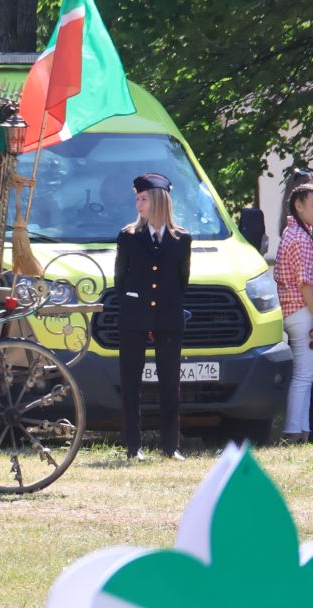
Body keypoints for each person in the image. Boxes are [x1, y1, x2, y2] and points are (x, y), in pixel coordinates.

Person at [115, 172, 192, 461]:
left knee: (170, 383)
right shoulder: (128, 236)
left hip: (169, 318)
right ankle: (133, 448)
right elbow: (120, 279)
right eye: (137, 198)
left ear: (158, 200)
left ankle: (171, 446)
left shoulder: (181, 238)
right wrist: (139, 306)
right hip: (134, 318)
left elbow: (181, 279)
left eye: (144, 198)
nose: (138, 203)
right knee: (131, 383)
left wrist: (162, 306)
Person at [275, 174, 313, 444]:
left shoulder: (291, 232)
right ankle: (293, 429)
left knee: (303, 373)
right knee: (304, 375)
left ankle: (299, 428)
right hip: (302, 311)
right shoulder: (302, 238)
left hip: (291, 311)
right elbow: (306, 284)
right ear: (299, 205)